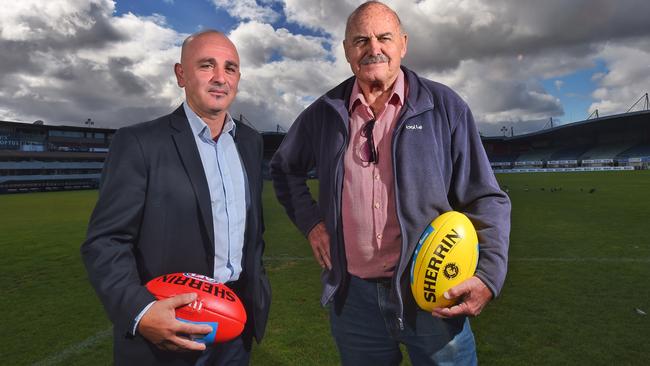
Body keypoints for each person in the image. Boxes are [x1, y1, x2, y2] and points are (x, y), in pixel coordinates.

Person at [270, 1, 510, 365]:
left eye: (384, 37)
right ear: (348, 50)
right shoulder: (324, 112)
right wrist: (312, 223)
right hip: (354, 302)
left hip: (432, 294)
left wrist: (488, 275)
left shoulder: (444, 106)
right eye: (361, 40)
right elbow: (284, 169)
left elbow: (486, 196)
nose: (373, 48)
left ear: (403, 44)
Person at [81, 30, 270, 366]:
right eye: (206, 66)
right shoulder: (139, 142)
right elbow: (105, 242)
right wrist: (141, 311)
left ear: (238, 77)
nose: (219, 78)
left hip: (234, 326)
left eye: (230, 68)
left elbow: (253, 236)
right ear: (181, 74)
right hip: (166, 331)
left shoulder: (250, 143)